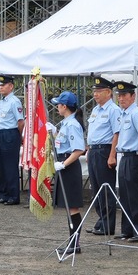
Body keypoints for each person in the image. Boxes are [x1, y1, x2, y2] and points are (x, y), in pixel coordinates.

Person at [113, 81, 138, 242]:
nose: (121, 99)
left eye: (124, 95)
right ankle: (127, 230)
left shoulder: (136, 114)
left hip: (135, 156)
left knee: (136, 195)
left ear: (133, 96)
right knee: (125, 195)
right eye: (119, 96)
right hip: (125, 156)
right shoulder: (123, 114)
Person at [50, 91, 86, 254]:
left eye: (58, 104)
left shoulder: (72, 124)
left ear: (64, 106)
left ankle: (75, 243)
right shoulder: (66, 123)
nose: (57, 107)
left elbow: (78, 149)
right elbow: (64, 142)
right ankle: (73, 241)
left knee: (73, 207)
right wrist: (54, 133)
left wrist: (63, 164)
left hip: (68, 166)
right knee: (68, 207)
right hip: (64, 163)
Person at [85, 77, 120, 236]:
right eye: (94, 91)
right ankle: (101, 221)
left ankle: (108, 225)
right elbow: (92, 132)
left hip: (105, 151)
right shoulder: (95, 110)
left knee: (106, 189)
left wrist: (112, 155)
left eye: (99, 91)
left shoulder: (113, 110)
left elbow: (116, 133)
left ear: (108, 92)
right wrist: (88, 150)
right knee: (96, 189)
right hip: (94, 151)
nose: (95, 94)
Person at [0, 75, 24, 205]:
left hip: (10, 134)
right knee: (1, 165)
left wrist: (18, 136)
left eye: (3, 85)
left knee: (10, 166)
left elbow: (20, 121)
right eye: (0, 85)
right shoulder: (1, 102)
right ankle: (4, 193)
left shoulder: (14, 101)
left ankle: (13, 195)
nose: (1, 87)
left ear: (11, 86)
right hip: (0, 133)